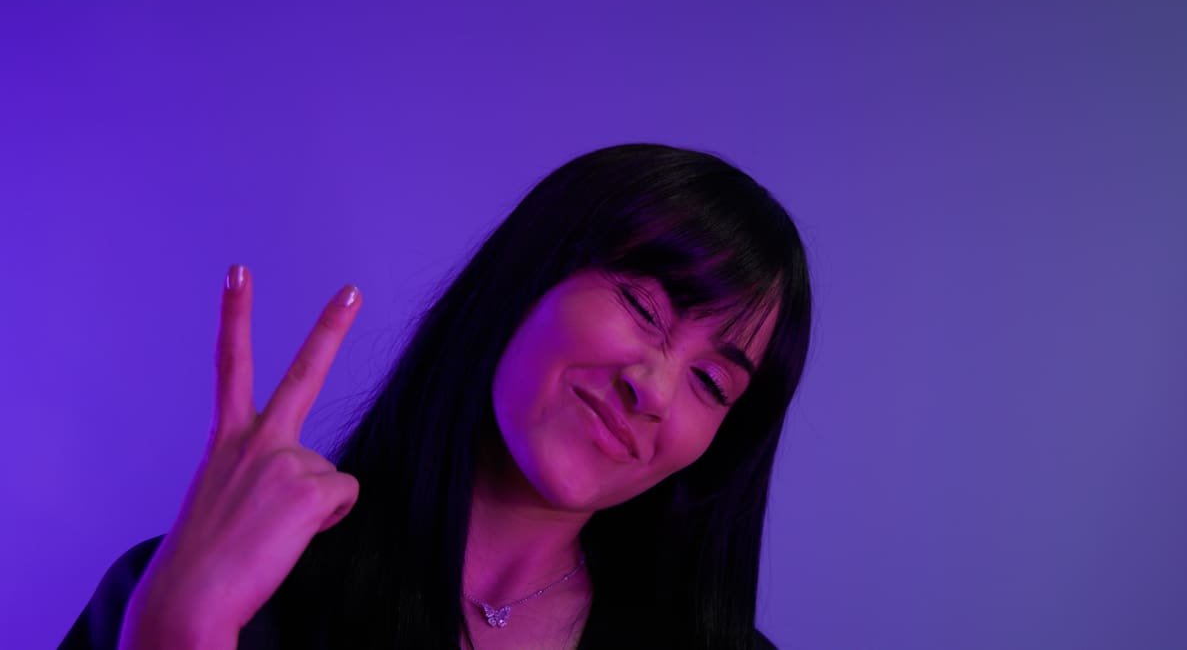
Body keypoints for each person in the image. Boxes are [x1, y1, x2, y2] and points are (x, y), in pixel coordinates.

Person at [61, 143, 813, 650]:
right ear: (527, 278)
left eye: (712, 383)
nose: (652, 388)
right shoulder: (205, 592)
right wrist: (175, 631)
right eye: (643, 307)